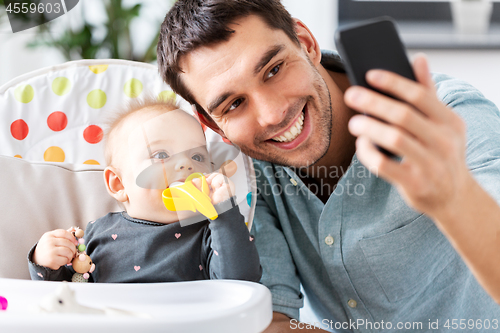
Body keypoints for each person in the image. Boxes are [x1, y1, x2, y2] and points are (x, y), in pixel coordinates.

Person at [157, 0, 500, 332]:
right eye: (234, 104)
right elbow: (270, 322)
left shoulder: (449, 118)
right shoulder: (247, 177)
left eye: (274, 69)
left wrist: (454, 198)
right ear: (214, 126)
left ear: (306, 44)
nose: (272, 114)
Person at [27, 98, 262, 283]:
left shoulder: (210, 234)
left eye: (197, 156)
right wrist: (45, 262)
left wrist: (224, 212)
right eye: (161, 155)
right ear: (119, 184)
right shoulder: (96, 234)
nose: (185, 165)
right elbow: (67, 293)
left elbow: (241, 281)